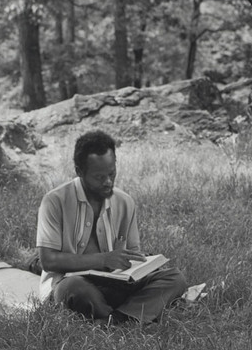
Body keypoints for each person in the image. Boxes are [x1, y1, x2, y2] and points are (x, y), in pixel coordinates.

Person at [36, 130, 188, 324]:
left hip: (115, 285)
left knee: (175, 278)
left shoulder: (125, 202)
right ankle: (130, 317)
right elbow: (49, 260)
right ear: (79, 171)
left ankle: (114, 320)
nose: (108, 182)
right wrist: (104, 259)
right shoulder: (54, 202)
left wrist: (139, 264)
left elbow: (133, 254)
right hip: (70, 284)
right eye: (99, 177)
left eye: (112, 173)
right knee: (74, 288)